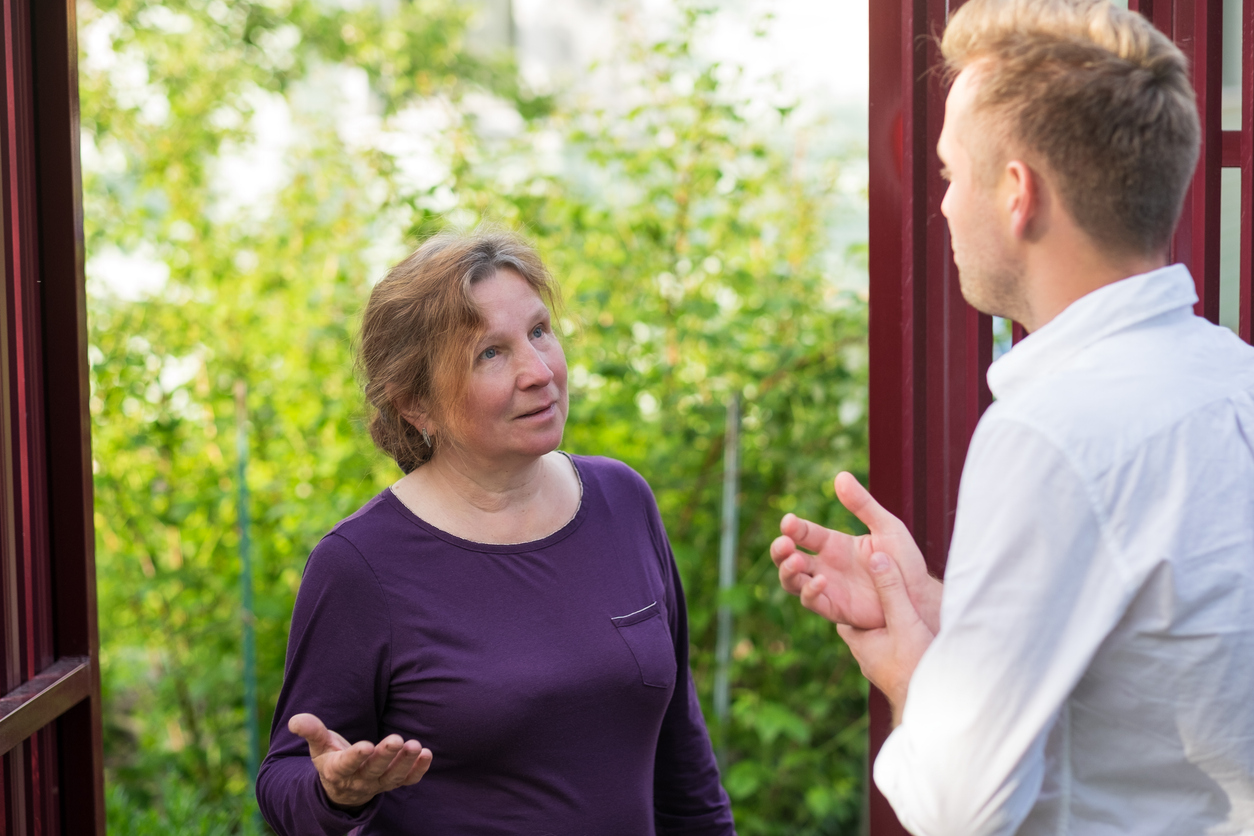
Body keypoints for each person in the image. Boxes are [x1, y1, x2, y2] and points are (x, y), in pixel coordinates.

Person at [771, 1, 1254, 834]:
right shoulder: (1235, 381)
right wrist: (946, 610)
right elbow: (1150, 667)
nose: (945, 205)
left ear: (1018, 194)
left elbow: (963, 807)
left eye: (953, 174)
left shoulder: (1051, 432)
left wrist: (914, 669)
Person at [256, 229, 735, 835]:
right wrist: (335, 792)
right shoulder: (362, 563)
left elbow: (682, 757)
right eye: (491, 353)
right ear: (415, 404)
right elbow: (283, 781)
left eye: (539, 332)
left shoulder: (623, 501)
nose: (539, 372)